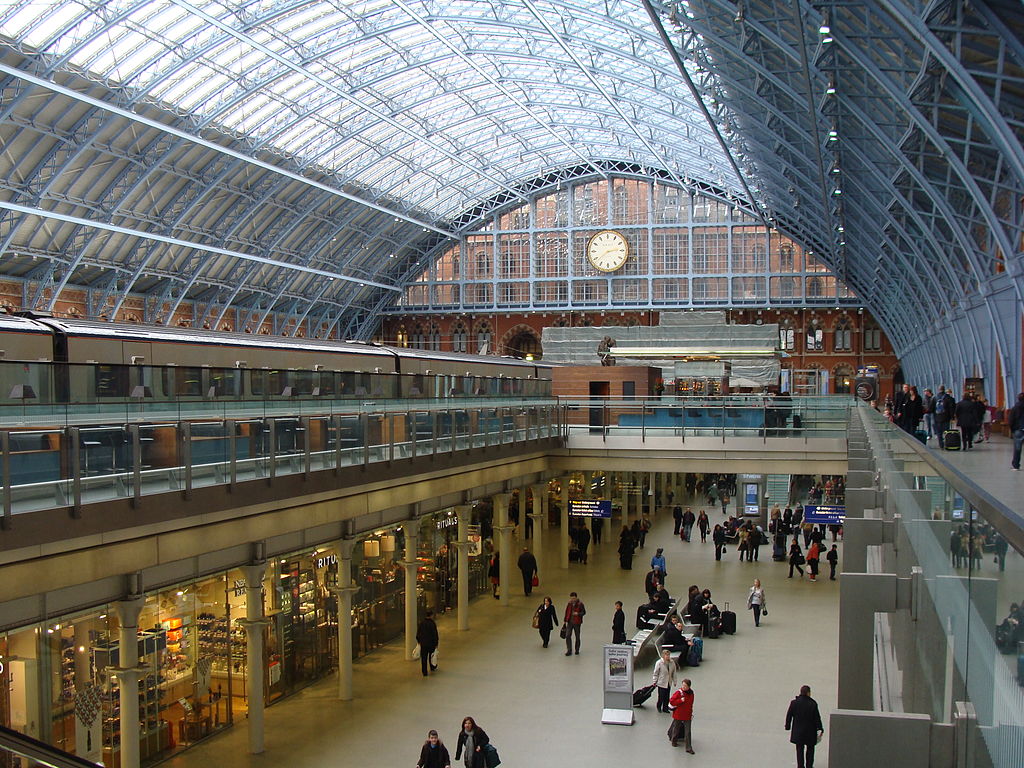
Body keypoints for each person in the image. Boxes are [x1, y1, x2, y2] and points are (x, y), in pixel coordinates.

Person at [785, 685, 824, 768]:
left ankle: (800, 766)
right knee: (810, 749)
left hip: (798, 731)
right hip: (810, 732)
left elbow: (789, 715)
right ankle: (809, 765)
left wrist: (787, 726)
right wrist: (820, 728)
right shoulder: (813, 704)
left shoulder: (794, 703)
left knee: (799, 749)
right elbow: (817, 718)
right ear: (808, 693)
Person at [667, 679, 695, 753]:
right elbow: (672, 701)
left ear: (689, 686)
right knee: (676, 729)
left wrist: (691, 713)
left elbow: (691, 704)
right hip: (679, 714)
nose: (683, 687)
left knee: (688, 732)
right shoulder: (679, 693)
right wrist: (680, 700)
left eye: (685, 686)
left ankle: (688, 748)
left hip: (687, 715)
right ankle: (674, 741)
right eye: (683, 685)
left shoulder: (691, 694)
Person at [415, 610, 439, 677]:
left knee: (424, 658)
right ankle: (432, 667)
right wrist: (436, 643)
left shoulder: (422, 623)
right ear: (431, 615)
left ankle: (424, 671)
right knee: (431, 656)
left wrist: (419, 641)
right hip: (431, 643)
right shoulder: (432, 623)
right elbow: (435, 634)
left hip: (423, 644)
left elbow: (418, 633)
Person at [653, 648, 677, 714]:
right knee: (661, 696)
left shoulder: (672, 662)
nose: (668, 656)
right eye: (666, 655)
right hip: (661, 682)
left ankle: (665, 708)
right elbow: (656, 673)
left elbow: (674, 672)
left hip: (668, 682)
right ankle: (659, 706)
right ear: (663, 656)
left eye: (669, 655)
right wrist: (655, 681)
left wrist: (675, 681)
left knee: (667, 696)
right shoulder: (659, 663)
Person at [1009, 392, 1024, 470]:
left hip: (1018, 429)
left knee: (1017, 448)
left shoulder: (1015, 408)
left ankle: (1016, 465)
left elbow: (1011, 420)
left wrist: (1012, 429)